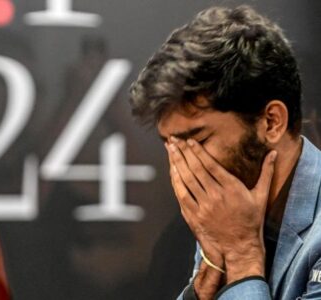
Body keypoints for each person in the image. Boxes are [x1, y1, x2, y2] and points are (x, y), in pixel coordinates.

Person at [129, 5, 321, 300]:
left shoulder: (232, 214)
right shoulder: (229, 203)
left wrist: (242, 255)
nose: (181, 166)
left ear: (271, 122)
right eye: (169, 145)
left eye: (197, 140)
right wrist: (203, 286)